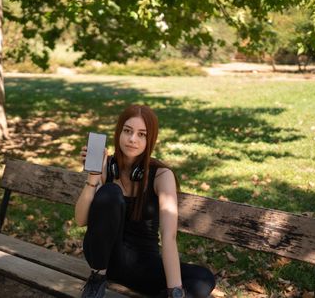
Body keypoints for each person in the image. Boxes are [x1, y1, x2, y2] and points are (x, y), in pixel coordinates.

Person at [75, 104, 215, 298]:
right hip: (105, 261)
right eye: (127, 131)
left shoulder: (161, 175)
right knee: (110, 192)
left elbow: (168, 236)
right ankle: (96, 281)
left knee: (203, 279)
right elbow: (81, 220)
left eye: (142, 134)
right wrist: (93, 177)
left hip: (143, 265)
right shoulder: (105, 166)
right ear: (119, 132)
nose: (133, 139)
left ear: (150, 140)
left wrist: (175, 290)